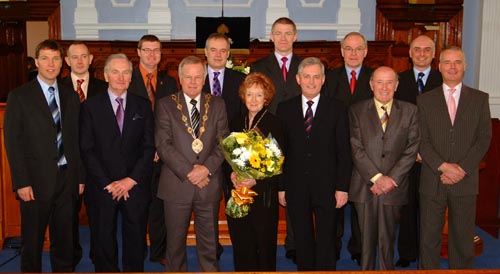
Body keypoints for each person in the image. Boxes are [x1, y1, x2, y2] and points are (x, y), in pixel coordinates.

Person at [4, 39, 82, 272]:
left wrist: (80, 177)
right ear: (36, 62)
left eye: (56, 58)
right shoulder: (19, 96)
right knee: (33, 242)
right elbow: (13, 143)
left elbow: (76, 141)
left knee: (65, 241)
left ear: (62, 63)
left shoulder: (71, 96)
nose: (51, 64)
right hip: (34, 183)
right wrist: (21, 182)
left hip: (67, 180)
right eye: (45, 58)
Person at [79, 53, 155, 272]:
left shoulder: (142, 106)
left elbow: (149, 147)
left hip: (135, 185)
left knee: (136, 241)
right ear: (105, 75)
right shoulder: (90, 107)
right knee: (103, 242)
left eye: (126, 72)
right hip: (103, 187)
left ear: (131, 77)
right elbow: (87, 149)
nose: (120, 77)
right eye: (115, 72)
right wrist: (109, 183)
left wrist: (130, 180)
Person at [418, 47, 491, 269]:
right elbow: (422, 140)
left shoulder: (479, 99)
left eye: (457, 62)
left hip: (465, 181)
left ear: (464, 66)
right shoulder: (424, 100)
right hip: (433, 179)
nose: (452, 67)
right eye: (447, 62)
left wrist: (461, 169)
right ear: (438, 67)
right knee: (428, 240)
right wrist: (443, 167)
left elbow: (484, 138)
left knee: (463, 241)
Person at [155, 56, 229, 272]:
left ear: (205, 78)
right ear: (180, 78)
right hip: (177, 185)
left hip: (208, 182)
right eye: (188, 77)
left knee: (209, 245)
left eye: (198, 77)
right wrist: (190, 172)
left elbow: (224, 142)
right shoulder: (166, 104)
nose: (193, 81)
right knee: (175, 245)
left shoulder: (217, 104)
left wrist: (206, 169)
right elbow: (163, 145)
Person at [277, 57, 351, 270]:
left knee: (328, 238)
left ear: (323, 79)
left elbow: (344, 151)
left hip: (328, 186)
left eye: (316, 77)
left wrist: (342, 187)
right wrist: (281, 187)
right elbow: (280, 152)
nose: (311, 81)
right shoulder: (285, 109)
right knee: (302, 237)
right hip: (295, 185)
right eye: (307, 76)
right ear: (298, 79)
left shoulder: (337, 108)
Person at [349, 66, 420, 270]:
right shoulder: (356, 110)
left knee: (388, 237)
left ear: (396, 85)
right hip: (365, 184)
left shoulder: (410, 111)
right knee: (366, 240)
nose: (384, 87)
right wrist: (376, 177)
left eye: (389, 82)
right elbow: (356, 147)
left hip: (394, 185)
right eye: (379, 82)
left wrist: (389, 179)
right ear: (371, 85)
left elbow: (412, 147)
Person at [250, 17, 301, 261]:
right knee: (268, 190)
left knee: (294, 187)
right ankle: (262, 238)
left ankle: (293, 241)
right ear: (271, 36)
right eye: (278, 33)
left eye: (287, 33)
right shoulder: (259, 65)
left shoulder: (305, 66)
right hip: (266, 136)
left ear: (295, 36)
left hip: (299, 135)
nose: (283, 38)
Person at [128, 34, 178, 266]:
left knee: (160, 205)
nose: (151, 54)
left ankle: (159, 252)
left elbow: (171, 120)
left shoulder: (169, 82)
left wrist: (160, 146)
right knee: (136, 207)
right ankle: (135, 251)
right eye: (146, 50)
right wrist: (148, 148)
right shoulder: (127, 79)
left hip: (163, 154)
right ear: (138, 52)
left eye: (156, 50)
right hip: (134, 154)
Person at [323, 31, 373, 264]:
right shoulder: (329, 78)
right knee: (336, 202)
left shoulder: (377, 78)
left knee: (361, 205)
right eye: (349, 49)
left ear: (365, 51)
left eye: (358, 48)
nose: (353, 53)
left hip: (368, 152)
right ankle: (332, 246)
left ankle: (359, 248)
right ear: (342, 52)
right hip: (336, 152)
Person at [393, 34, 443, 268]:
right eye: (417, 49)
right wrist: (411, 150)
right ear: (410, 53)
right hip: (406, 156)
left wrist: (428, 151)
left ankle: (428, 253)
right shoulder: (398, 81)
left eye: (427, 50)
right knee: (407, 205)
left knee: (430, 208)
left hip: (435, 156)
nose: (421, 53)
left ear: (434, 54)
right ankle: (406, 252)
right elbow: (395, 120)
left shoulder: (444, 80)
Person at [227, 72, 284, 271]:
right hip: (239, 192)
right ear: (243, 96)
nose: (253, 99)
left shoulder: (274, 123)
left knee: (264, 244)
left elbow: (278, 163)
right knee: (241, 241)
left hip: (263, 196)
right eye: (249, 94)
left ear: (266, 97)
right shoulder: (236, 122)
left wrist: (255, 180)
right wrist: (232, 174)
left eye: (259, 95)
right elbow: (229, 158)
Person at [61, 40, 107, 266]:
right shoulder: (57, 88)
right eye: (74, 57)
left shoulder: (104, 88)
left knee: (99, 215)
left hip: (98, 164)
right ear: (67, 61)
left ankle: (99, 256)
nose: (80, 61)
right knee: (67, 215)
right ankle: (71, 255)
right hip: (67, 164)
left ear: (91, 59)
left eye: (84, 56)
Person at [202, 32, 246, 259]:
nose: (218, 55)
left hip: (232, 156)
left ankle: (239, 245)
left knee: (234, 202)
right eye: (213, 50)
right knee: (207, 205)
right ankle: (211, 248)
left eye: (223, 50)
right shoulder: (195, 78)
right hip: (202, 155)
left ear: (228, 54)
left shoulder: (239, 80)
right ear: (205, 52)